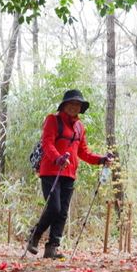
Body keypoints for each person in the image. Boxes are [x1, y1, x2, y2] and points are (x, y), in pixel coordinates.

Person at [27, 89, 112, 259]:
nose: (74, 107)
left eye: (78, 104)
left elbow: (84, 153)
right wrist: (58, 158)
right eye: (72, 103)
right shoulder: (53, 120)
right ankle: (34, 235)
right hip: (51, 171)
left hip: (70, 174)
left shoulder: (80, 128)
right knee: (54, 207)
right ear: (64, 105)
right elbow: (47, 143)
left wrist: (101, 159)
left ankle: (52, 248)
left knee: (63, 211)